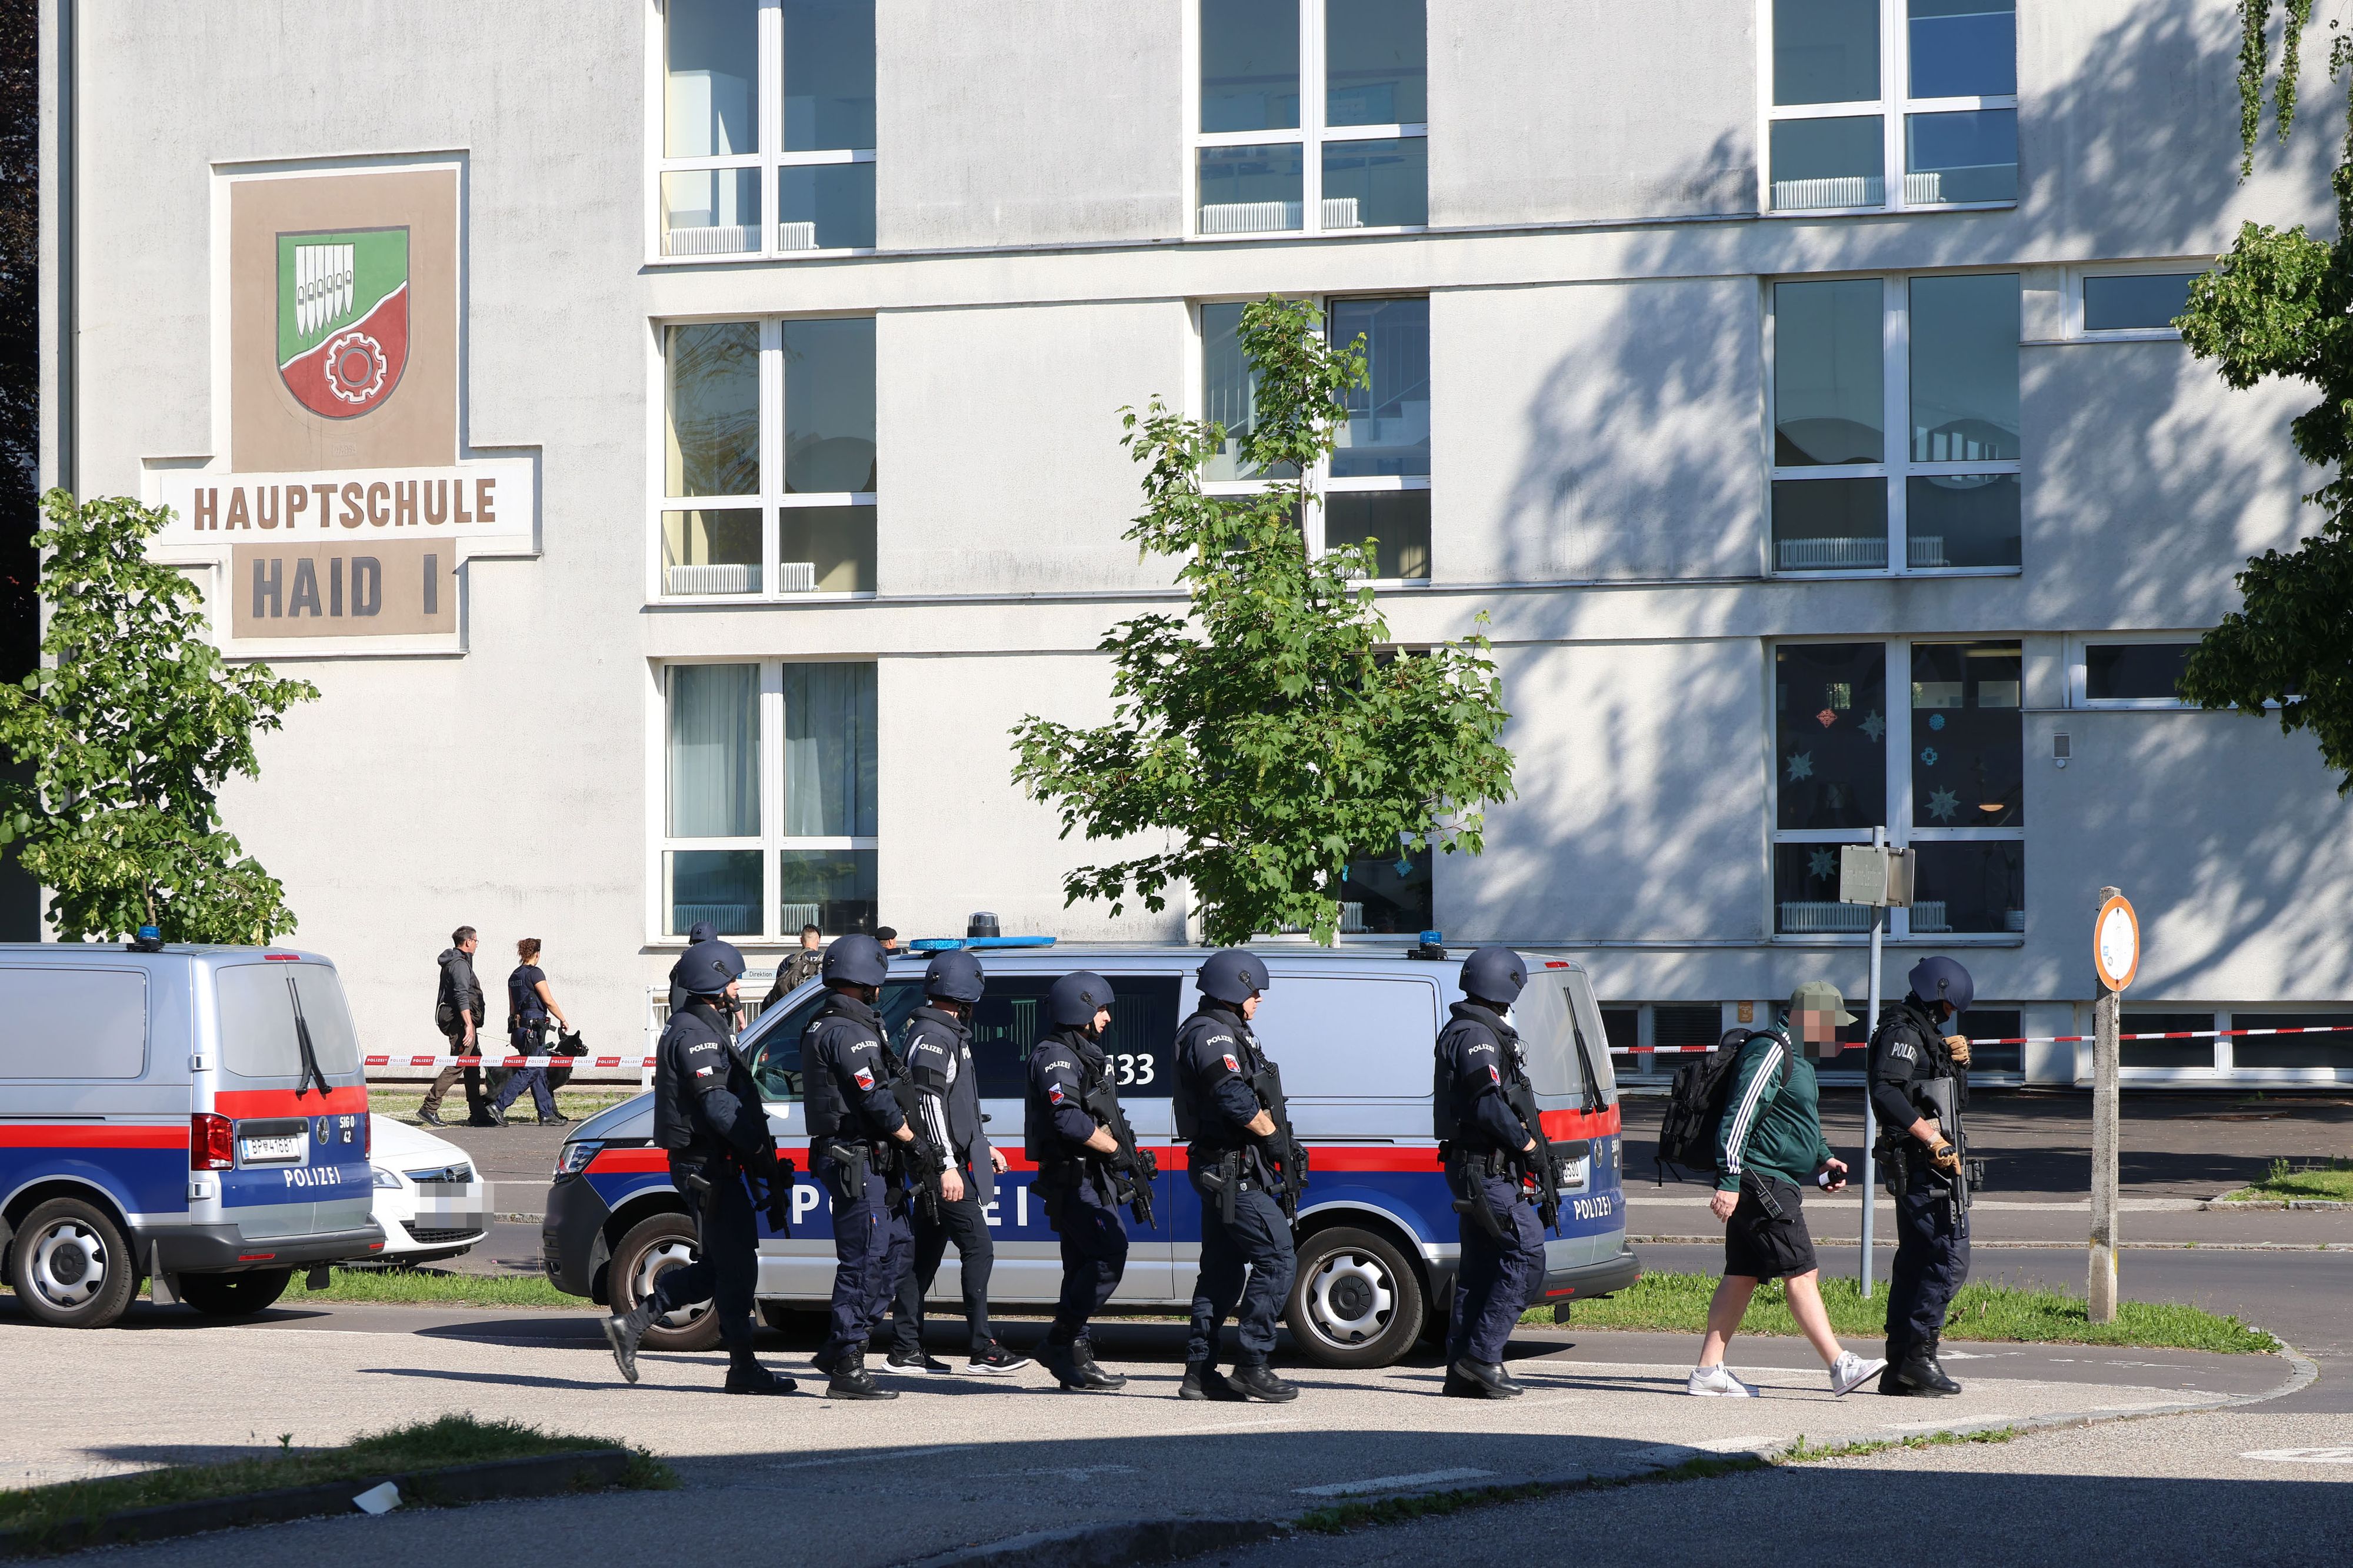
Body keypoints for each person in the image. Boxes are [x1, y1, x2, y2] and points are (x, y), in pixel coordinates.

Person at [602, 936, 794, 1395]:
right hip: (708, 1169)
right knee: (736, 1267)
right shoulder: (695, 1033)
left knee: (727, 1265)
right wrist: (761, 1156)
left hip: (717, 1167)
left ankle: (637, 1325)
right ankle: (739, 1366)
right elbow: (720, 1109)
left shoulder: (704, 1026)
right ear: (711, 980)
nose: (736, 988)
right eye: (731, 980)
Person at [1688, 982, 1888, 1398]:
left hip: (1774, 1180)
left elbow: (1798, 1122)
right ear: (1808, 1019)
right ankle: (1840, 1366)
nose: (1837, 1033)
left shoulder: (1800, 1061)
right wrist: (1728, 1181)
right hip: (1760, 1180)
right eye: (1832, 1023)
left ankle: (1708, 1372)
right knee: (1802, 1270)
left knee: (1742, 1275)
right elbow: (1739, 1114)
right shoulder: (1771, 1050)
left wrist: (1824, 1159)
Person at [885, 949, 1030, 1376]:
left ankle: (906, 1349)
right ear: (968, 994)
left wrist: (983, 1148)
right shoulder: (934, 1036)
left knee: (923, 1257)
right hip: (940, 1169)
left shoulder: (947, 1032)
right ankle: (982, 1348)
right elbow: (928, 1104)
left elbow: (958, 1106)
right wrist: (946, 1165)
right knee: (978, 1247)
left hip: (947, 1162)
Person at [804, 932, 930, 1399]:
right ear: (867, 979)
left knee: (898, 1251)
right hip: (857, 1159)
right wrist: (914, 1141)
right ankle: (848, 1368)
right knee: (863, 1261)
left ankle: (840, 1344)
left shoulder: (853, 1023)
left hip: (873, 1161)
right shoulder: (846, 1031)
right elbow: (873, 1098)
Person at [1172, 949, 1299, 1403]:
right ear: (1232, 988)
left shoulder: (1225, 1031)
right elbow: (1233, 1097)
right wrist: (1274, 1139)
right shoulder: (1212, 1035)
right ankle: (1252, 1364)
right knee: (1278, 1257)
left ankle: (1199, 1373)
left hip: (1227, 1167)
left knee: (1222, 1274)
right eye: (1253, 989)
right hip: (1230, 1170)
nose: (1259, 998)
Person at [1432, 945, 1545, 1399]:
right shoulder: (1477, 1035)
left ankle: (1462, 1369)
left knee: (1480, 1269)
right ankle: (1482, 1355)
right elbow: (1485, 1102)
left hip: (1478, 1169)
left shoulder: (1469, 1029)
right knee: (1526, 1253)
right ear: (1505, 986)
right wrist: (1527, 1144)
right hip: (1486, 1172)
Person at [1870, 956, 1977, 1396]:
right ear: (1938, 994)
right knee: (1947, 1258)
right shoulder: (1903, 1033)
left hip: (1934, 1164)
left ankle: (1900, 1368)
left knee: (1917, 1263)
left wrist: (1960, 1065)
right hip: (1922, 1166)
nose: (1952, 1014)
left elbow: (1945, 1101)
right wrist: (1930, 1139)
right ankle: (1918, 1358)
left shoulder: (1926, 1034)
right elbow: (1885, 1090)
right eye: (1950, 1006)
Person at [1024, 970, 1132, 1392]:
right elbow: (1067, 1119)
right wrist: (1114, 1149)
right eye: (1100, 1009)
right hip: (1072, 1177)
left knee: (1082, 1265)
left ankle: (1076, 1357)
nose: (1106, 1018)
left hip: (1089, 1175)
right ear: (1079, 1009)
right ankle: (1059, 1342)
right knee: (1109, 1254)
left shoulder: (1082, 1054)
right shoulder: (1057, 1057)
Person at [489, 938, 570, 1127]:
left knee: (539, 1071)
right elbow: (548, 1001)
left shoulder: (514, 976)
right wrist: (563, 1019)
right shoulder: (535, 973)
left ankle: (546, 1114)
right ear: (537, 954)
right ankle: (499, 1106)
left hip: (521, 1030)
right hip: (533, 1031)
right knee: (532, 1069)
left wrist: (513, 1030)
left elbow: (512, 1007)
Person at [420, 926, 488, 1128]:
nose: (477, 944)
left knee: (473, 1063)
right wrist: (469, 1025)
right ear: (468, 942)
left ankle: (477, 1113)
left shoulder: (461, 961)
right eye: (476, 941)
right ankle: (429, 1107)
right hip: (460, 1022)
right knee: (459, 1062)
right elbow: (461, 995)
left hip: (463, 1021)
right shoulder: (459, 964)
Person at [761, 923, 825, 1012]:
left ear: (801, 940)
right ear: (819, 940)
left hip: (793, 1012)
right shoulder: (826, 961)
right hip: (819, 1009)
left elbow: (779, 989)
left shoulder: (790, 961)